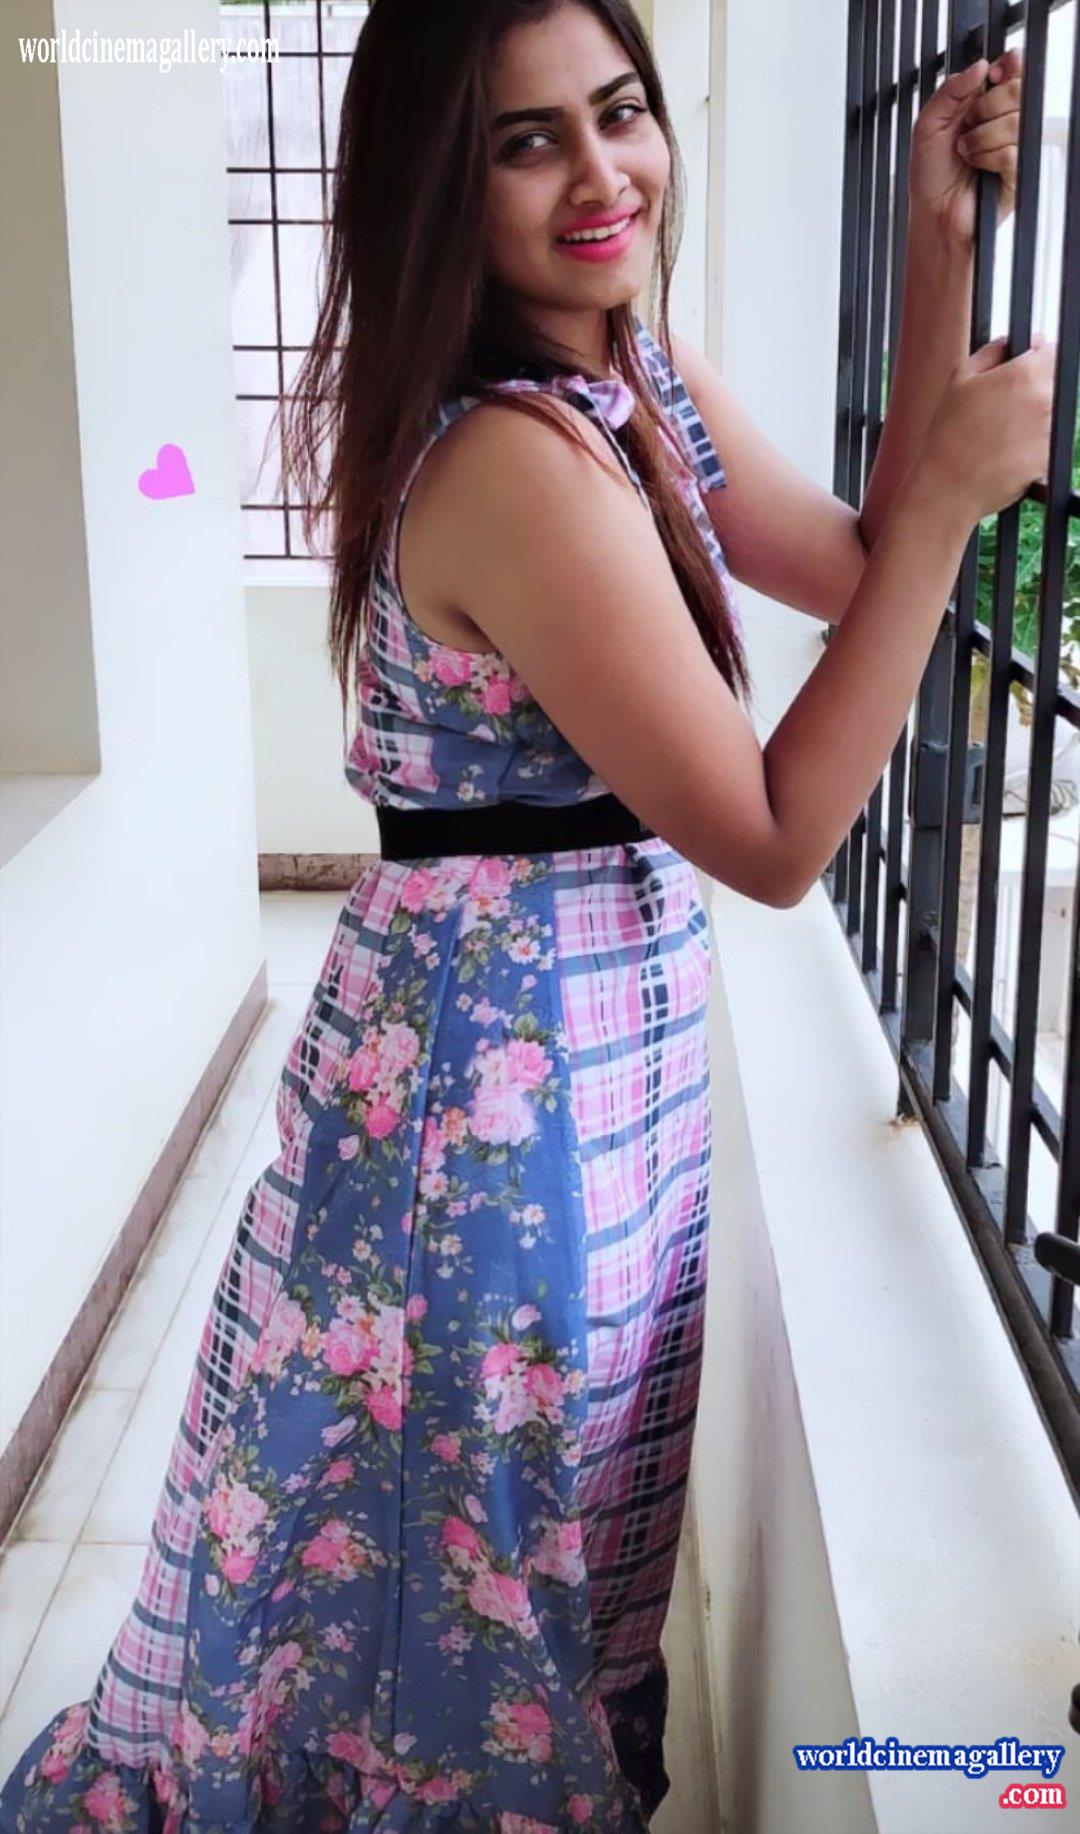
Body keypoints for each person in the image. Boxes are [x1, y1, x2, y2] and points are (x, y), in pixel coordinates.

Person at [0, 3, 1050, 1829]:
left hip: (573, 1068)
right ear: (439, 186)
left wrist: (935, 245)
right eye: (525, 141)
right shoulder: (513, 459)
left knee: (516, 1545)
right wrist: (961, 493)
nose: (600, 173)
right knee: (461, 1569)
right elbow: (780, 837)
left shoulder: (626, 370)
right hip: (490, 1123)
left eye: (620, 112)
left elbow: (856, 566)